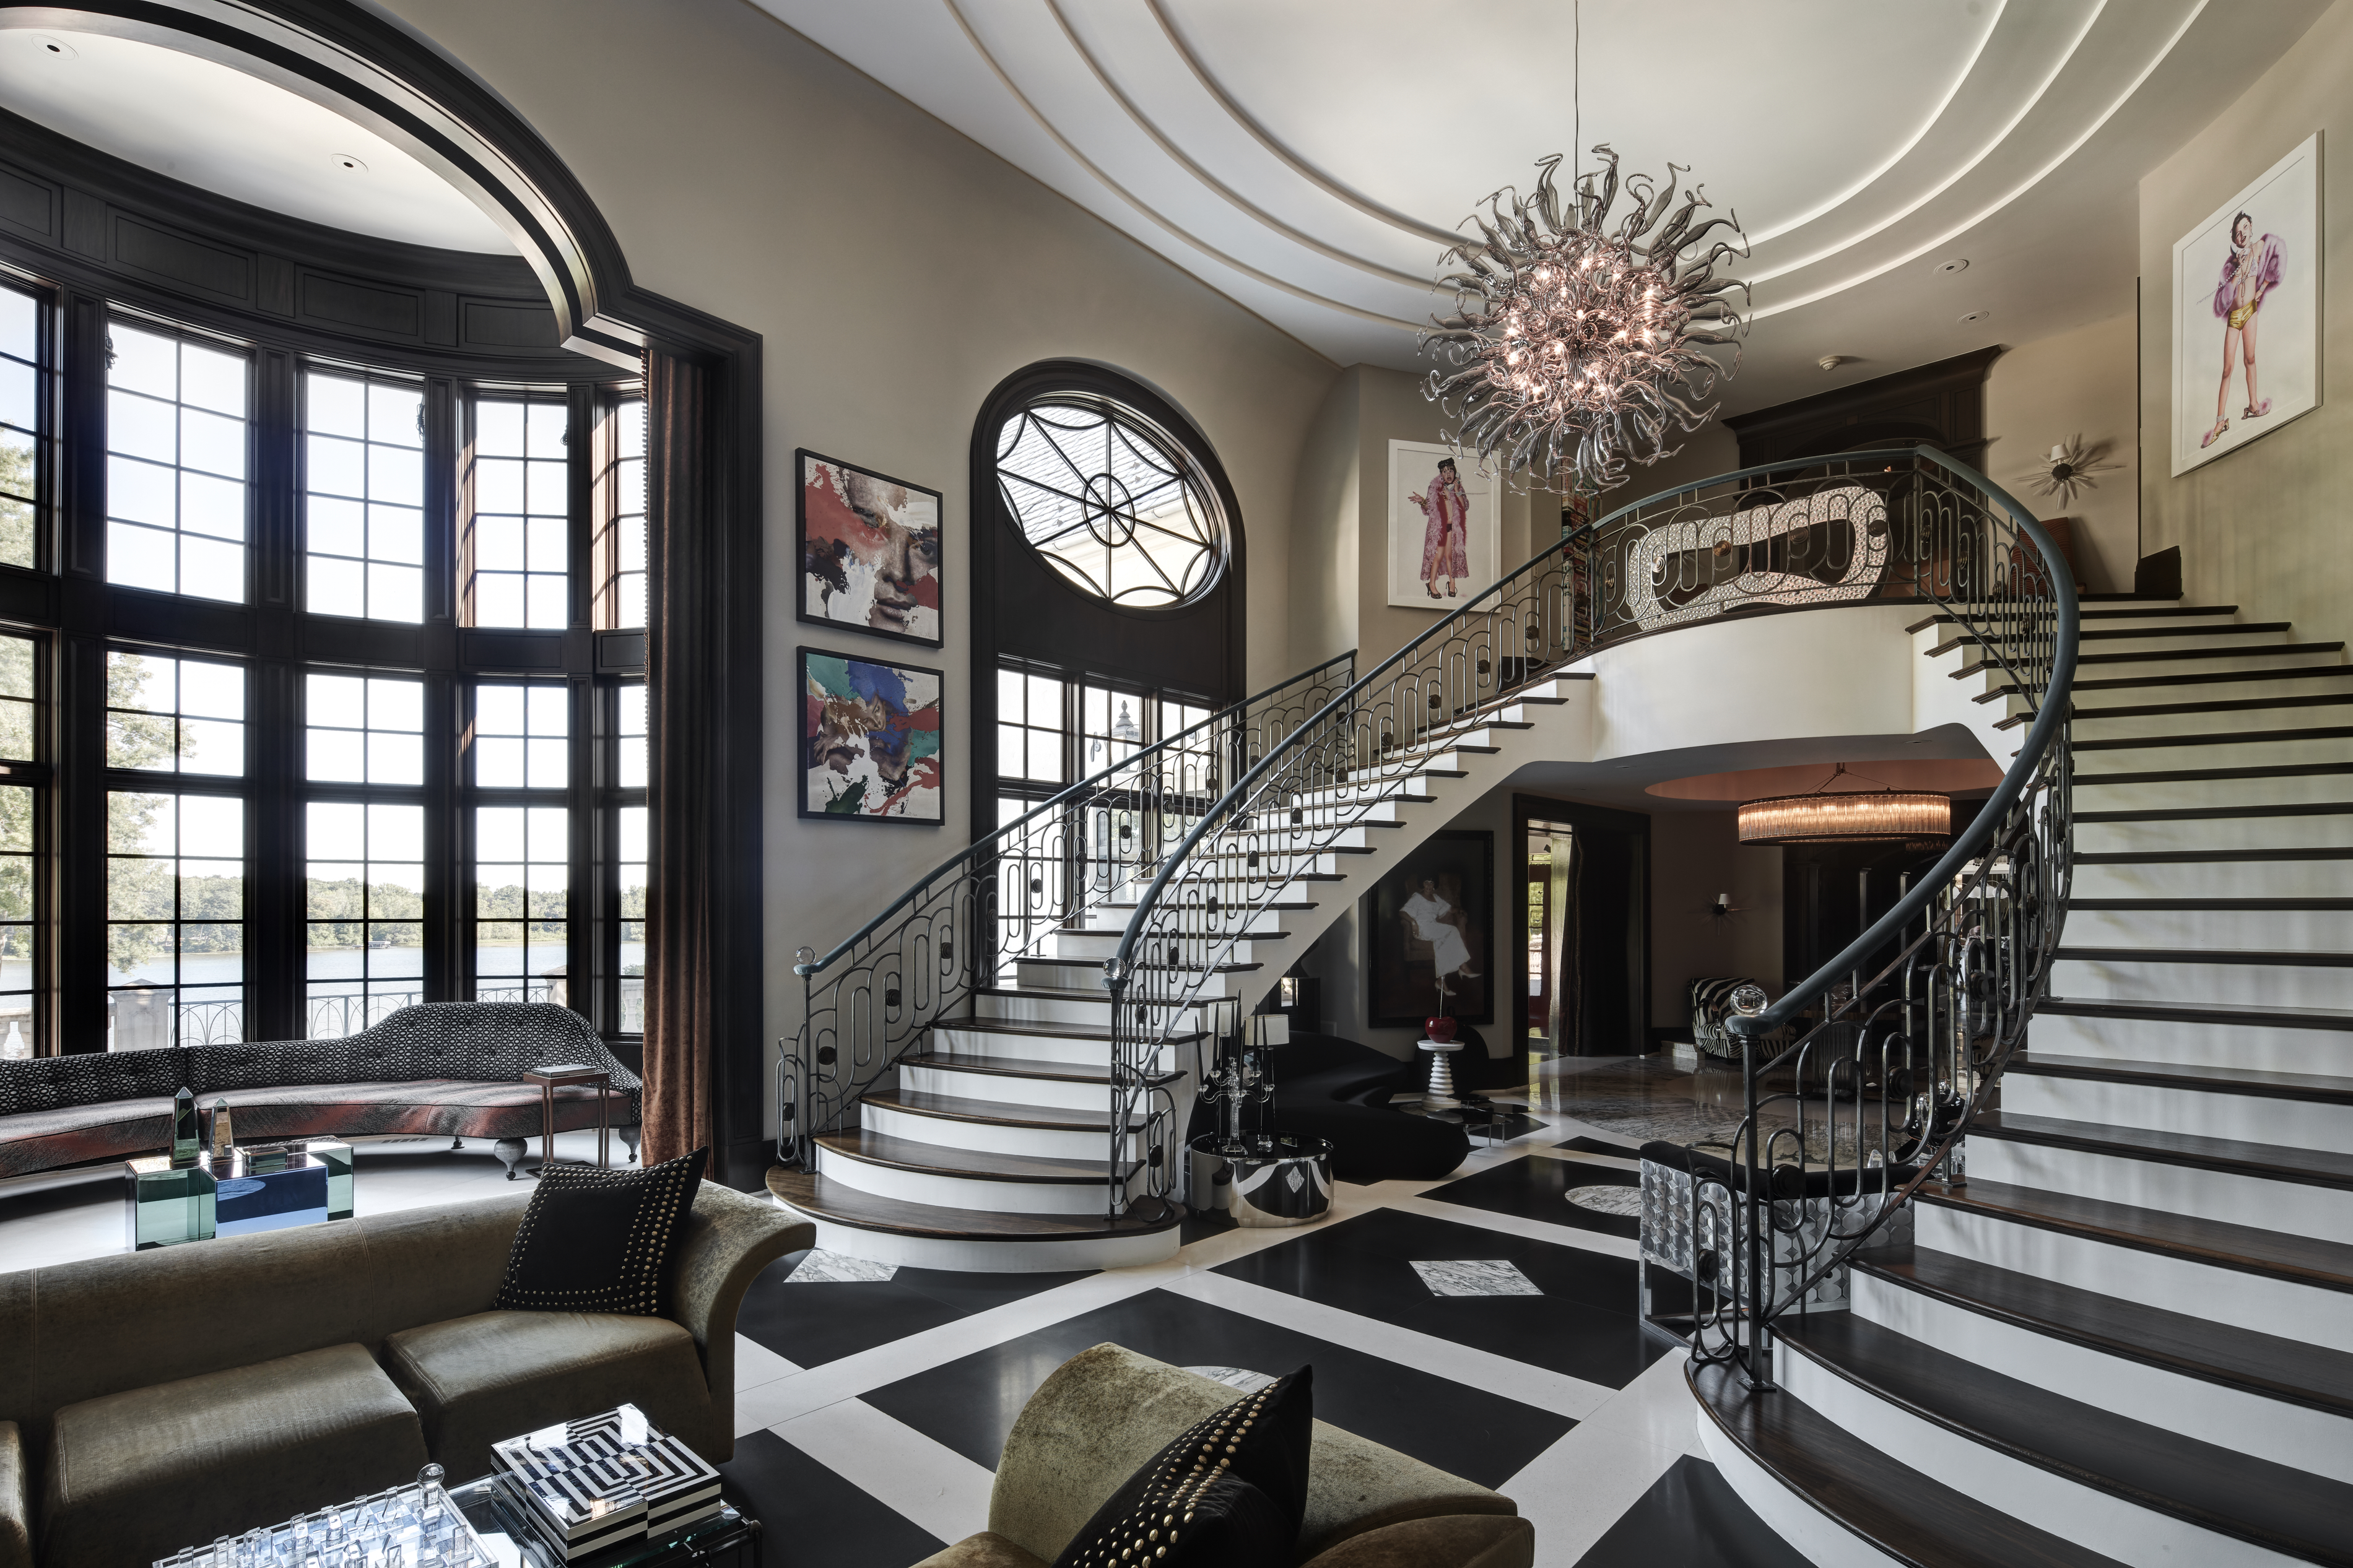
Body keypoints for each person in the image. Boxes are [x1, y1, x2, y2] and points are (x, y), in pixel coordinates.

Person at [2203, 212, 2284, 450]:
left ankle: (2254, 405)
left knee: (2250, 358)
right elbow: (2223, 296)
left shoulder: (2260, 247)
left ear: (2251, 227)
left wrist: (2263, 289)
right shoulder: (2231, 263)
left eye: (2246, 228)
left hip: (2251, 311)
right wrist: (2237, 271)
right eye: (2239, 232)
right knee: (2227, 369)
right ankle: (2220, 421)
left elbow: (2276, 259)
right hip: (2235, 317)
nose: (2243, 234)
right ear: (2235, 238)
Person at [1401, 876, 1481, 994]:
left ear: (1435, 885)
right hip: (1422, 928)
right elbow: (1402, 912)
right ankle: (1463, 967)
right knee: (1451, 931)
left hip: (1433, 927)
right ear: (1422, 884)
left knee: (1443, 940)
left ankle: (1441, 981)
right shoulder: (1417, 897)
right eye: (1426, 882)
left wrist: (1459, 909)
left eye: (1431, 883)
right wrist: (1413, 922)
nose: (1429, 886)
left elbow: (1450, 909)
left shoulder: (1436, 897)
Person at [1409, 458, 1471, 600]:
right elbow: (1429, 510)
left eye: (1451, 470)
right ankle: (1431, 584)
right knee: (1438, 556)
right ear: (1441, 475)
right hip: (1439, 529)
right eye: (1444, 471)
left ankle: (1452, 583)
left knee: (1451, 557)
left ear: (1455, 472)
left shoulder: (1458, 488)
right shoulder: (1435, 488)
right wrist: (1422, 501)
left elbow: (1464, 507)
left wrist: (1456, 491)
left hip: (1453, 529)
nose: (1448, 473)